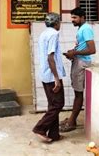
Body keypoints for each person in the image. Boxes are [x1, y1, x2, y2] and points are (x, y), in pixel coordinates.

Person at [61, 7, 96, 133]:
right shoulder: (82, 29)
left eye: (75, 17)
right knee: (77, 92)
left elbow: (92, 50)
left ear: (82, 17)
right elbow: (82, 47)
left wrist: (74, 53)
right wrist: (73, 53)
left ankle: (71, 122)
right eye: (72, 17)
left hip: (81, 62)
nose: (72, 20)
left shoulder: (86, 29)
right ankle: (72, 119)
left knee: (78, 93)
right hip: (78, 60)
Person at [32, 13, 66, 143]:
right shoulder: (54, 34)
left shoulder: (43, 34)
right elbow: (50, 57)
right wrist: (57, 78)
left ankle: (54, 134)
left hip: (45, 74)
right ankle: (40, 128)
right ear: (56, 23)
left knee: (53, 104)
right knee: (58, 104)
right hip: (52, 75)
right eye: (59, 22)